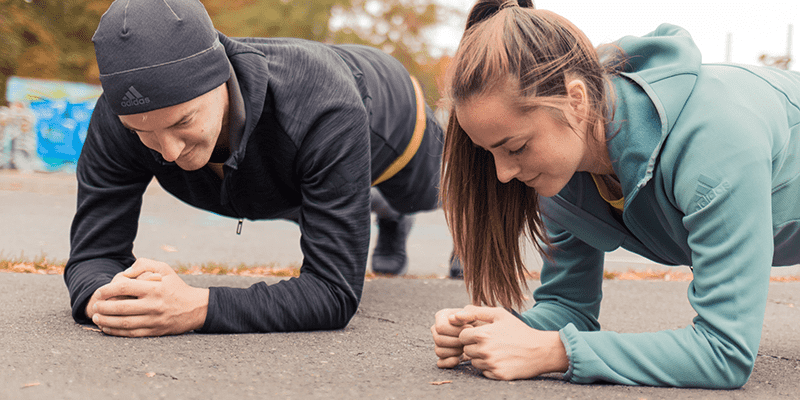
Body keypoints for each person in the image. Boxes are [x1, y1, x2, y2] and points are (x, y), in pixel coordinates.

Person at [431, 0, 800, 388]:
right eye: (490, 152)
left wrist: (554, 352)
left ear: (575, 101)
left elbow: (723, 352)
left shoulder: (715, 144)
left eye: (516, 147)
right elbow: (567, 307)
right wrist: (497, 331)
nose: (503, 174)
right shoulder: (561, 170)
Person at [65, 0, 447, 337]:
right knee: (301, 196)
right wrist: (104, 299)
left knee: (433, 193)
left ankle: (395, 213)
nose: (167, 152)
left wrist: (198, 307)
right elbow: (92, 256)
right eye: (143, 132)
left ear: (221, 78)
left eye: (182, 122)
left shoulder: (326, 108)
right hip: (280, 172)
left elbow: (334, 291)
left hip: (388, 113)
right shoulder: (119, 119)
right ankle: (367, 207)